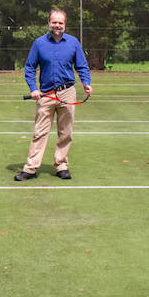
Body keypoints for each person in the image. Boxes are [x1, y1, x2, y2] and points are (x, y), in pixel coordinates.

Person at [14, 9, 93, 181]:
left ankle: (61, 166)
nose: (57, 25)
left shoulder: (73, 43)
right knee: (39, 133)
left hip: (67, 94)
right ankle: (31, 169)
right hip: (45, 94)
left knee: (66, 132)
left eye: (60, 22)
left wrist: (86, 83)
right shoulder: (39, 43)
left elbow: (82, 66)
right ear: (49, 23)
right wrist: (33, 88)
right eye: (54, 22)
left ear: (65, 24)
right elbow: (29, 67)